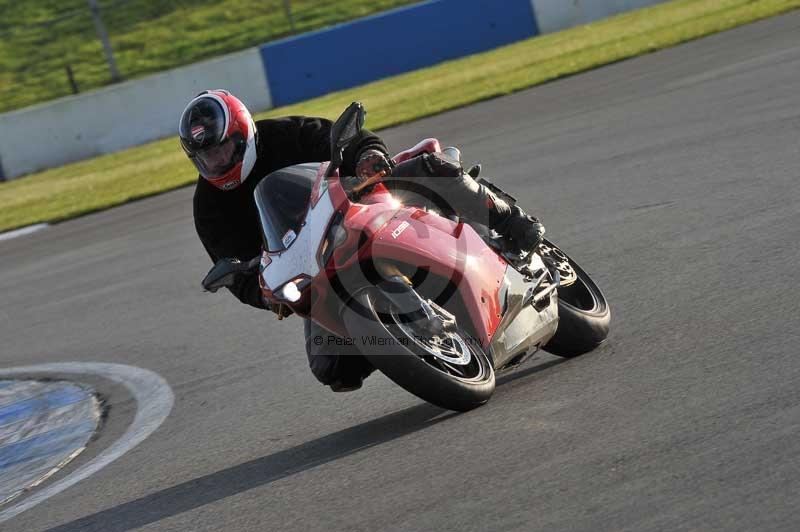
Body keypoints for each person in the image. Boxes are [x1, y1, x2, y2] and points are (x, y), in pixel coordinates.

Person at [182, 89, 545, 392]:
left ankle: (511, 221)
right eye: (206, 157)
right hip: (318, 265)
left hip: (364, 204)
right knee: (333, 369)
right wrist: (263, 292)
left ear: (243, 132)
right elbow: (238, 271)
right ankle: (405, 344)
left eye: (222, 149)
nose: (216, 162)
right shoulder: (209, 208)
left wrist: (368, 155)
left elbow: (354, 140)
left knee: (429, 166)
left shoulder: (285, 133)